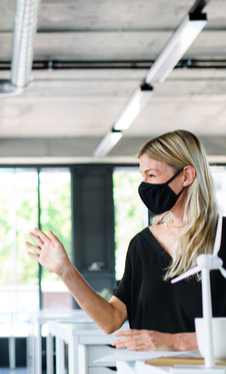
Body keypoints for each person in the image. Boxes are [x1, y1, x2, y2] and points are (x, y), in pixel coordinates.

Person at [27, 129, 226, 351]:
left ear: (186, 176)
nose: (145, 186)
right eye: (142, 176)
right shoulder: (141, 246)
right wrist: (65, 270)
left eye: (151, 175)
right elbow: (110, 320)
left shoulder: (222, 238)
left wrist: (174, 342)